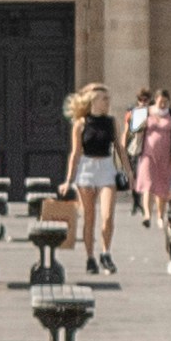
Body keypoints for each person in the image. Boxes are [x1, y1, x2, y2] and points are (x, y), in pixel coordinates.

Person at [64, 79, 123, 278]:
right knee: (89, 217)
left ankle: (106, 253)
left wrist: (128, 171)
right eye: (103, 98)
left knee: (107, 216)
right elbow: (75, 153)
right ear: (93, 100)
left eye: (108, 98)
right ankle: (90, 257)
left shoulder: (111, 121)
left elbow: (119, 147)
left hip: (106, 167)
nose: (107, 102)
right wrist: (68, 180)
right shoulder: (80, 125)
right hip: (86, 169)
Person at [133, 85, 171, 273]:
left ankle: (159, 215)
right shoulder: (145, 111)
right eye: (160, 100)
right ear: (155, 99)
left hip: (166, 156)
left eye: (165, 101)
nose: (163, 103)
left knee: (162, 188)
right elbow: (134, 129)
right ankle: (147, 214)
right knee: (147, 184)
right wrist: (139, 113)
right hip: (148, 153)